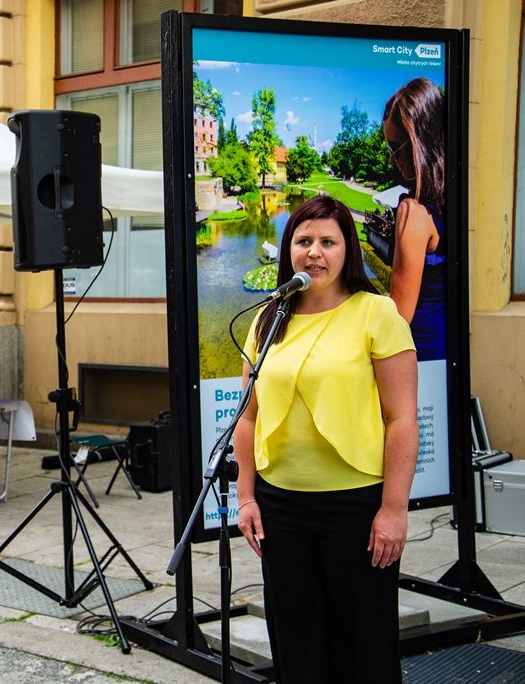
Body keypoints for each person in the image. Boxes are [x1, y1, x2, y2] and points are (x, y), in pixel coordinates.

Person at [234, 196, 419, 683]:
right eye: (303, 241)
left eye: (327, 242)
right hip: (281, 507)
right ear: (288, 249)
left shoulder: (376, 313)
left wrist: (394, 508)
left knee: (364, 643)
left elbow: (401, 419)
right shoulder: (268, 318)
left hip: (355, 507)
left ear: (347, 250)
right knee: (296, 642)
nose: (314, 253)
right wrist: (247, 496)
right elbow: (247, 416)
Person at [383, 77, 446, 361]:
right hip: (447, 351)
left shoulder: (413, 211)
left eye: (395, 147)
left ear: (418, 141)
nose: (391, 160)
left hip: (420, 357)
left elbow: (398, 316)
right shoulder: (449, 203)